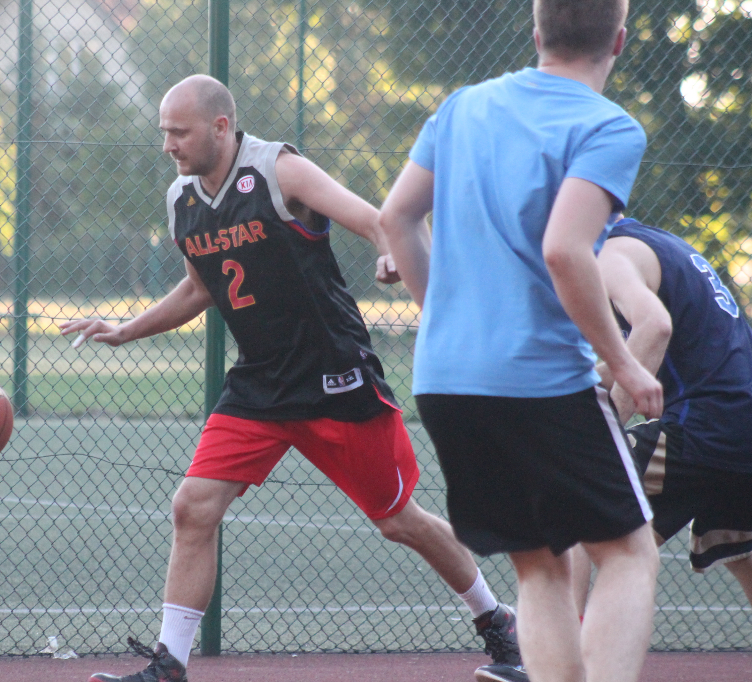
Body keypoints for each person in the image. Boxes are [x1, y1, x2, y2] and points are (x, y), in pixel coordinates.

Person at [60, 74, 524, 682]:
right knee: (193, 507)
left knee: (396, 520)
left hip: (334, 376)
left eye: (179, 132)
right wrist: (128, 328)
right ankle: (169, 663)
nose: (167, 145)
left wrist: (391, 252)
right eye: (163, 133)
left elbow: (379, 219)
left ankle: (495, 620)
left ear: (220, 127)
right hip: (260, 383)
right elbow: (200, 287)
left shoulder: (279, 170)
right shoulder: (182, 200)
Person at [377, 2, 664, 682]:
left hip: (445, 378)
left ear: (537, 33)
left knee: (539, 565)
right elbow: (565, 250)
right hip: (538, 378)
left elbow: (396, 216)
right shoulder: (607, 127)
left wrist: (441, 312)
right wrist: (622, 360)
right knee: (628, 554)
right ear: (619, 40)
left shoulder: (461, 108)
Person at [568, 216, 752, 615]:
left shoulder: (613, 256)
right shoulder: (657, 244)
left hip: (707, 426)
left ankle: (552, 662)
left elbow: (653, 328)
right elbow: (637, 355)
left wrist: (605, 432)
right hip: (739, 424)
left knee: (575, 497)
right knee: (742, 555)